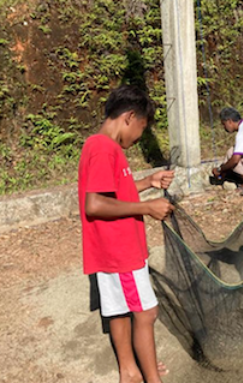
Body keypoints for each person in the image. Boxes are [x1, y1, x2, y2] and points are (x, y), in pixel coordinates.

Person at [78, 85, 174, 383]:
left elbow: (113, 191)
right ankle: (150, 378)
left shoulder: (99, 145)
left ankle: (130, 369)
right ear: (130, 117)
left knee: (119, 310)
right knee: (146, 313)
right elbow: (94, 204)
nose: (140, 136)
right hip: (122, 250)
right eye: (142, 129)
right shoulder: (105, 148)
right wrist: (147, 209)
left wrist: (148, 182)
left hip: (108, 249)